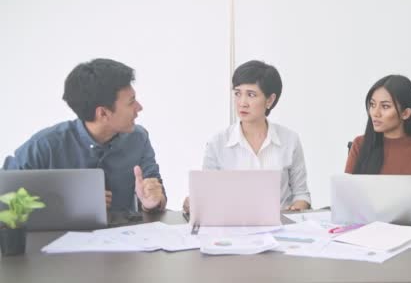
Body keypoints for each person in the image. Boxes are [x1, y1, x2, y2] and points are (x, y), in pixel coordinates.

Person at [3, 58, 166, 213]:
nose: (139, 107)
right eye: (131, 102)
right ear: (103, 113)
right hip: (61, 240)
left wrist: (151, 202)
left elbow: (155, 190)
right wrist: (66, 204)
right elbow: (4, 200)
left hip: (125, 237)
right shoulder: (45, 145)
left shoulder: (138, 138)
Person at [183, 60, 311, 213]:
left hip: (280, 228)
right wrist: (195, 202)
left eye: (251, 95)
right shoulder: (217, 143)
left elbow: (301, 194)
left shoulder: (290, 140)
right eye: (237, 94)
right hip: (233, 228)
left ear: (270, 100)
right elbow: (207, 196)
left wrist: (296, 209)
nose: (242, 103)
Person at [345, 75, 411, 207]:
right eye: (372, 105)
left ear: (406, 113)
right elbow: (345, 200)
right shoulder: (360, 145)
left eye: (385, 107)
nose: (375, 113)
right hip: (366, 226)